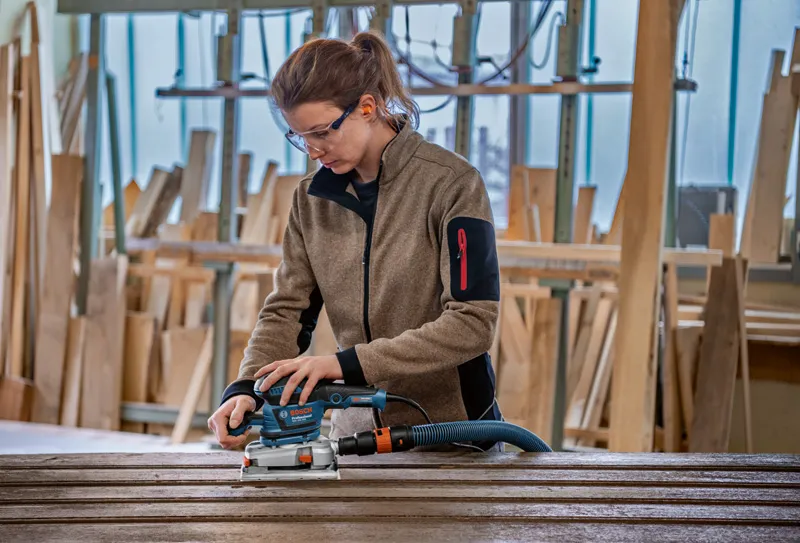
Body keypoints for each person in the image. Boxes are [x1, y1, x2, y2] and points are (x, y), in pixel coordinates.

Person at [207, 30, 502, 452]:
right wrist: (247, 388)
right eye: (300, 136)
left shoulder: (452, 184)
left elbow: (472, 324)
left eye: (322, 132)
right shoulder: (310, 199)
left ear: (367, 107)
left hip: (453, 432)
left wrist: (345, 364)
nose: (312, 150)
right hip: (356, 431)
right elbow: (287, 311)